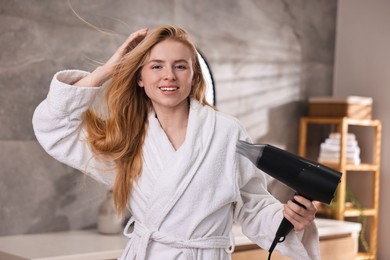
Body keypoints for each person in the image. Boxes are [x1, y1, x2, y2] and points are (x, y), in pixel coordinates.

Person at [32, 25, 319, 260]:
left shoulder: (226, 133)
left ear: (194, 77)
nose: (169, 75)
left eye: (180, 66)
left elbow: (253, 206)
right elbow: (54, 127)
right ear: (140, 78)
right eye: (156, 66)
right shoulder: (124, 139)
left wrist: (288, 217)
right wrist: (106, 71)